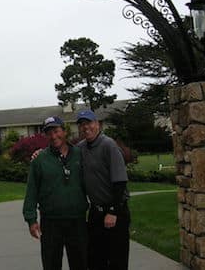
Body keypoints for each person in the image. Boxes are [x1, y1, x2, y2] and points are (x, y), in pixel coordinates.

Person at [23, 116, 88, 270]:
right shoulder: (40, 160)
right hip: (51, 222)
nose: (53, 136)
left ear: (64, 131)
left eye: (56, 131)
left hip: (77, 221)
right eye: (49, 133)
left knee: (80, 263)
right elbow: (31, 191)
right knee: (51, 264)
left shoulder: (80, 154)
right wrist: (31, 219)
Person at [76, 109, 130, 270]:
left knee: (116, 261)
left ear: (97, 124)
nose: (86, 127)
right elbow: (63, 153)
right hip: (95, 214)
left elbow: (120, 182)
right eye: (82, 124)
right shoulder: (81, 148)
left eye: (89, 123)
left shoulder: (109, 145)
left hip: (115, 211)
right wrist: (41, 152)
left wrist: (113, 212)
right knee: (94, 260)